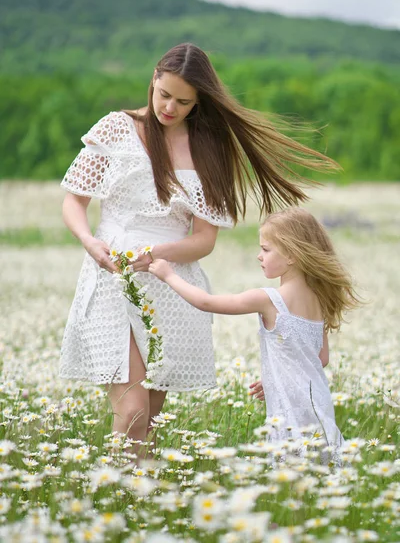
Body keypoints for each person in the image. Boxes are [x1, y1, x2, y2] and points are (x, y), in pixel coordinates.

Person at [60, 42, 338, 447]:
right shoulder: (115, 129)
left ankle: (138, 501)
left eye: (183, 102)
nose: (169, 107)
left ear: (198, 102)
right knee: (133, 409)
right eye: (164, 94)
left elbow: (204, 239)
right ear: (153, 80)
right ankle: (110, 495)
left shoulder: (207, 148)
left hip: (170, 281)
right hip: (112, 278)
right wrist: (89, 241)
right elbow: (74, 200)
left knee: (150, 417)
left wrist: (158, 256)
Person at [149, 207, 360, 450]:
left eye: (266, 249)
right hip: (317, 401)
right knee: (320, 463)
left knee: (290, 469)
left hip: (289, 407)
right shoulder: (319, 299)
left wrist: (169, 275)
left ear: (292, 255)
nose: (259, 256)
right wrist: (277, 376)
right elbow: (321, 357)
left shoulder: (269, 299)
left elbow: (206, 302)